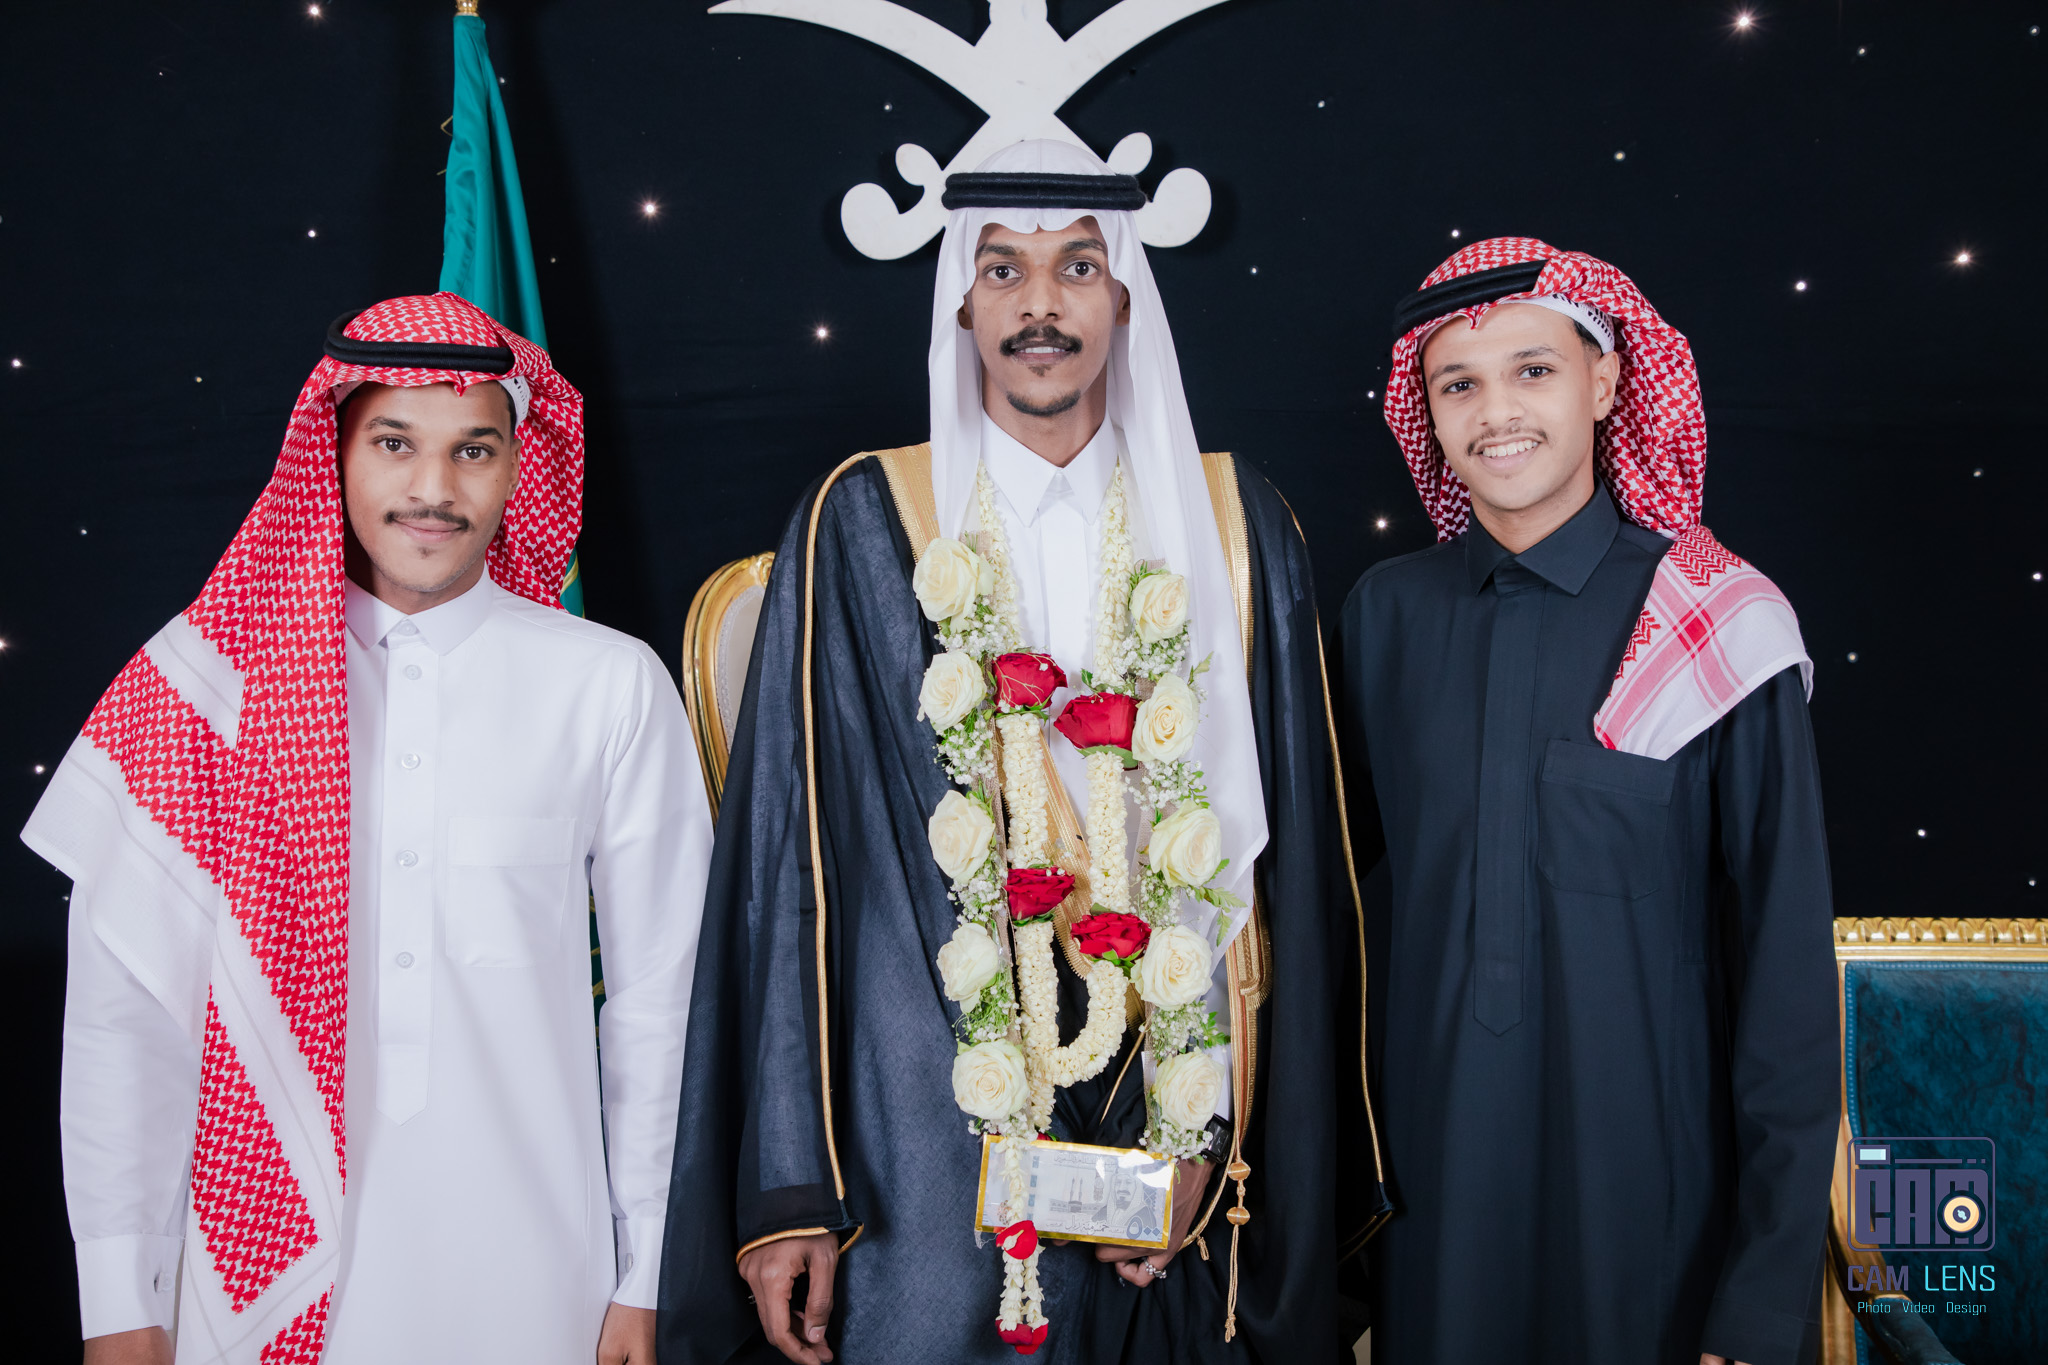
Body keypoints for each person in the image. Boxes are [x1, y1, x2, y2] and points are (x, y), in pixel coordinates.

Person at [659, 140, 1386, 1365]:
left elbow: (1290, 875)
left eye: (1076, 268)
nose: (1038, 304)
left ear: (1124, 297)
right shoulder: (866, 520)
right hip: (924, 1139)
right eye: (1002, 269)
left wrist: (1214, 1136)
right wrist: (792, 1185)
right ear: (962, 302)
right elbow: (793, 872)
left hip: (1178, 1119)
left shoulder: (1232, 523)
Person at [24, 294, 711, 1365]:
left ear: (518, 468)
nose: (434, 489)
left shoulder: (608, 684)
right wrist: (118, 1302)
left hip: (545, 1287)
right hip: (249, 1291)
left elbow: (665, 1010)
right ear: (333, 454)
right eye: (394, 443)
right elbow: (126, 1023)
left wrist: (652, 1271)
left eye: (474, 449)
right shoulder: (205, 692)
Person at [1335, 239, 1837, 1365]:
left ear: (1605, 382)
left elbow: (1788, 977)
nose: (1495, 413)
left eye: (1533, 370)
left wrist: (1760, 1302)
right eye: (1457, 384)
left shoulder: (1716, 623)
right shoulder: (1382, 619)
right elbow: (1340, 930)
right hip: (1431, 1212)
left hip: (1655, 1221)